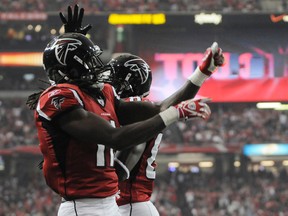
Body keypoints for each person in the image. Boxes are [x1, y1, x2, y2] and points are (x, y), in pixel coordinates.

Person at [26, 5, 224, 216]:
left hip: (110, 203)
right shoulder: (58, 97)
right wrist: (176, 114)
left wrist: (202, 73)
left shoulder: (104, 94)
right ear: (68, 71)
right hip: (82, 208)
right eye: (87, 62)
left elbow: (159, 108)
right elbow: (115, 137)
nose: (96, 67)